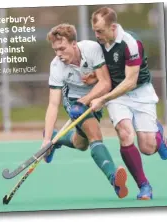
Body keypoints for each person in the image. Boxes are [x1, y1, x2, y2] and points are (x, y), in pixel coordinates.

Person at [80, 7, 167, 200]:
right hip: (117, 95)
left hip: (139, 91)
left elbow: (130, 81)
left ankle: (158, 136)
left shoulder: (131, 43)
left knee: (147, 148)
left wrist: (102, 99)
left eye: (100, 31)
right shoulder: (101, 43)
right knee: (124, 132)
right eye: (94, 30)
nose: (96, 35)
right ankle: (144, 186)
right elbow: (110, 68)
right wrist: (94, 77)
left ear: (113, 27)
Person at [42, 23, 128, 199]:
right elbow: (53, 104)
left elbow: (105, 83)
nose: (59, 54)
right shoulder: (56, 66)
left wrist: (86, 101)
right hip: (73, 100)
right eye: (55, 50)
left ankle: (58, 139)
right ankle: (114, 179)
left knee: (81, 144)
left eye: (62, 48)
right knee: (95, 135)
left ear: (74, 43)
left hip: (95, 97)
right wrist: (45, 141)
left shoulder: (91, 49)